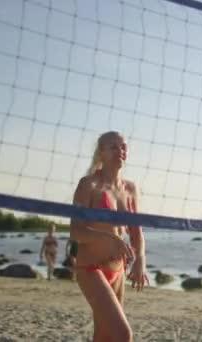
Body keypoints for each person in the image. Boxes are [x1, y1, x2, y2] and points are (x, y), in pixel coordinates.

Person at [70, 131, 149, 342]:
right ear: (101, 152)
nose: (120, 151)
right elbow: (75, 232)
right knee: (123, 334)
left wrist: (140, 260)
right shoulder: (89, 185)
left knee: (104, 337)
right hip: (91, 269)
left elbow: (136, 232)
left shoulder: (130, 189)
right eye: (113, 147)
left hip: (118, 271)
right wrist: (109, 239)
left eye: (123, 147)